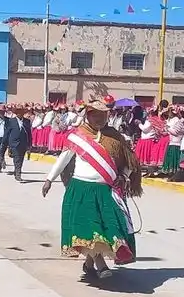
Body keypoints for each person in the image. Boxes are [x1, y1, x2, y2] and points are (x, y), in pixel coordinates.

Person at [41, 96, 143, 280]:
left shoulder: (115, 136)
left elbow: (130, 161)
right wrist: (49, 179)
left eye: (103, 115)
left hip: (106, 190)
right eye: (95, 115)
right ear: (88, 115)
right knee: (90, 229)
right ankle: (101, 265)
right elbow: (64, 158)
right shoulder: (77, 136)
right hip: (81, 189)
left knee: (108, 228)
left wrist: (123, 176)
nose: (99, 119)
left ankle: (89, 264)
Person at [3, 104, 33, 182]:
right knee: (16, 158)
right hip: (14, 143)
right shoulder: (11, 121)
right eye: (19, 112)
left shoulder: (27, 121)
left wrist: (29, 145)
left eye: (22, 112)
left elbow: (29, 134)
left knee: (21, 158)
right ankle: (18, 174)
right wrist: (5, 143)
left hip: (23, 143)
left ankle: (17, 171)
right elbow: (7, 133)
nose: (20, 114)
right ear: (16, 113)